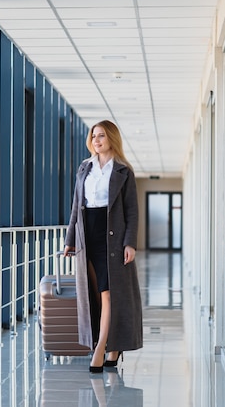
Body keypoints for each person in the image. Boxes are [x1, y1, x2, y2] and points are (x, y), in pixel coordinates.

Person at [64, 119, 143, 373]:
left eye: (101, 136)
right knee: (95, 294)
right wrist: (70, 240)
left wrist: (130, 242)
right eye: (94, 136)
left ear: (111, 138)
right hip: (88, 236)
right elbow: (76, 206)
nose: (96, 141)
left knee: (109, 294)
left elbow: (132, 211)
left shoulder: (123, 171)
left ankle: (101, 349)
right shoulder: (84, 168)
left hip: (113, 239)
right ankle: (112, 347)